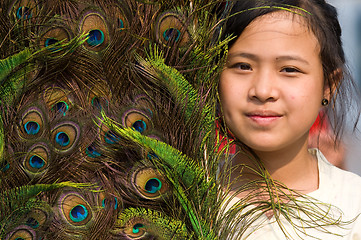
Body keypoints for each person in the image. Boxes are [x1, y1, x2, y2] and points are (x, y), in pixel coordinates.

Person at [218, 0, 361, 239]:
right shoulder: (175, 199)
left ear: (328, 86)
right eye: (242, 66)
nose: (263, 91)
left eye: (289, 69)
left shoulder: (354, 208)